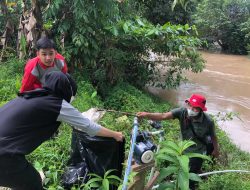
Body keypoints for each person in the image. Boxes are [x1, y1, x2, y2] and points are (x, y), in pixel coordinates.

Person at [0, 71, 123, 190]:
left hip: (5, 152)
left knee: (23, 183)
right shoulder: (57, 103)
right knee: (33, 183)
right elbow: (89, 127)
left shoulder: (32, 96)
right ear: (67, 91)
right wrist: (115, 134)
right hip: (5, 156)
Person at [137, 94, 219, 190]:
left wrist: (216, 150)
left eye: (195, 108)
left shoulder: (208, 121)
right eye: (190, 106)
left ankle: (191, 184)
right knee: (181, 170)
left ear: (201, 110)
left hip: (196, 153)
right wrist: (147, 115)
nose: (191, 109)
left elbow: (213, 136)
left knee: (191, 178)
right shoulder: (182, 112)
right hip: (182, 149)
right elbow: (163, 115)